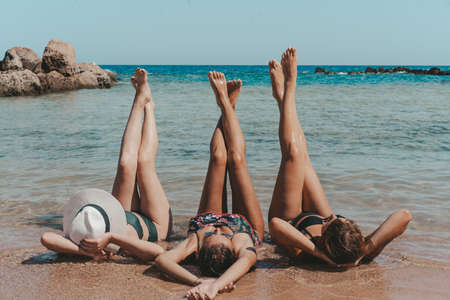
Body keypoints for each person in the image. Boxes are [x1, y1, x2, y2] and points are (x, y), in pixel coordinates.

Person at [267, 48, 412, 266]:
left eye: (333, 222)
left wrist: (317, 253)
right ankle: (282, 99)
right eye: (340, 219)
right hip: (320, 215)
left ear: (324, 242)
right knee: (302, 155)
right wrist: (367, 249)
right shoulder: (359, 251)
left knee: (293, 154)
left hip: (291, 217)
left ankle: (289, 88)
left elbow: (276, 225)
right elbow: (404, 215)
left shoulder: (303, 252)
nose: (336, 218)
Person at [41, 68, 171, 261]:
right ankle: (150, 107)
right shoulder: (116, 245)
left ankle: (139, 97)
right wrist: (110, 237)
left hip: (118, 214)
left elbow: (46, 238)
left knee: (126, 163)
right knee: (144, 163)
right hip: (155, 223)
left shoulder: (81, 233)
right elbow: (158, 253)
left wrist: (82, 250)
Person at [155, 71, 264, 300]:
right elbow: (247, 261)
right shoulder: (242, 249)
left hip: (204, 217)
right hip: (246, 225)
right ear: (232, 247)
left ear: (201, 250)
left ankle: (226, 107)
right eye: (221, 233)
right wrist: (216, 286)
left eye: (212, 234)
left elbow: (162, 260)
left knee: (217, 158)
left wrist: (197, 281)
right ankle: (227, 104)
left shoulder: (194, 244)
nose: (218, 227)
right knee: (236, 158)